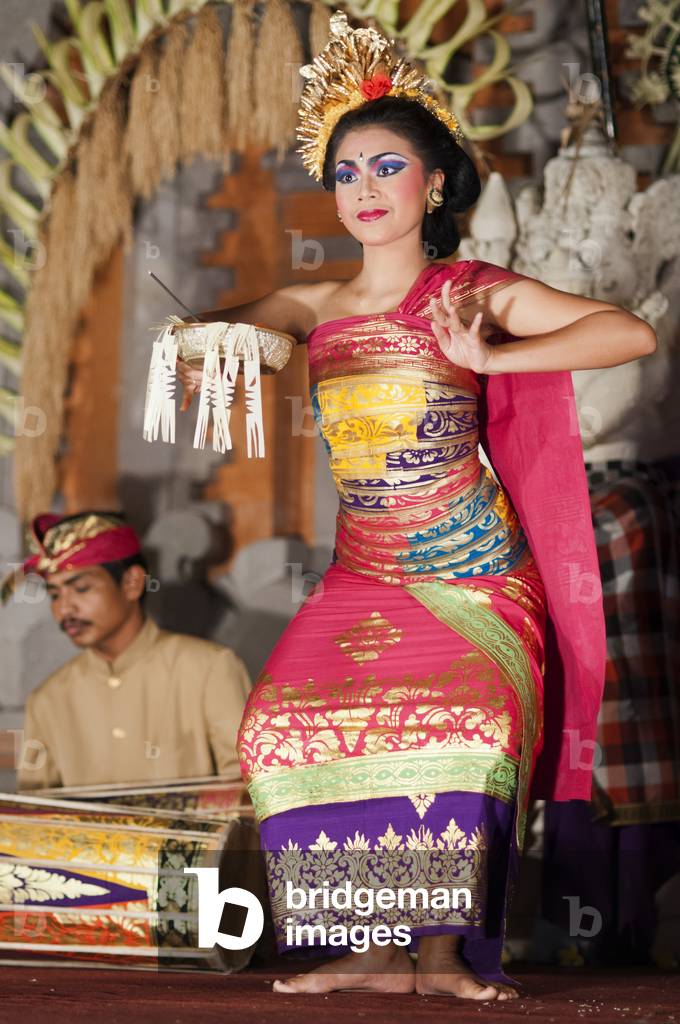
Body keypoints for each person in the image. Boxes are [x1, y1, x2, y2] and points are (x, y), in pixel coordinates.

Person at [176, 12, 656, 1001]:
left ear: (431, 182)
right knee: (279, 727)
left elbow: (626, 337)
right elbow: (226, 330)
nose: (362, 190)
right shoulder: (313, 307)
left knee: (462, 726)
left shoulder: (469, 290)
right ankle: (370, 946)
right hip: (362, 574)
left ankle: (437, 957)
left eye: (383, 167)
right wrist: (195, 337)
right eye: (345, 173)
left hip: (471, 575)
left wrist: (493, 355)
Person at [6, 511, 251, 791]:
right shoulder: (48, 700)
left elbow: (247, 801)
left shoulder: (210, 670)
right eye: (54, 595)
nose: (64, 609)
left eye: (82, 588)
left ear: (132, 583)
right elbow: (37, 818)